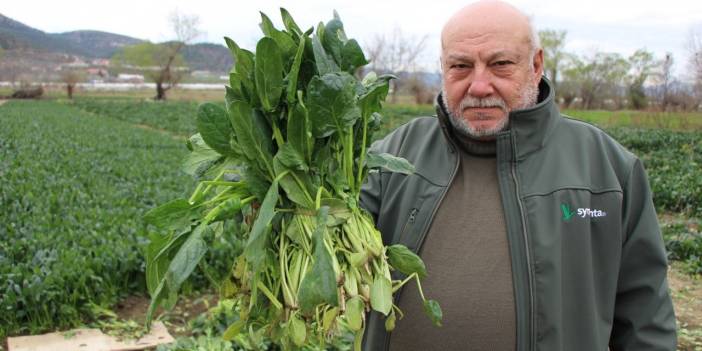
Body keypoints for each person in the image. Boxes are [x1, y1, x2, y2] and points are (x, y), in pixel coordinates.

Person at [359, 1, 677, 350]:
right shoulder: (394, 154)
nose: (479, 86)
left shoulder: (607, 169)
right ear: (443, 68)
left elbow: (645, 321)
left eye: (500, 64)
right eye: (461, 66)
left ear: (536, 65)